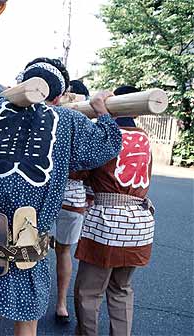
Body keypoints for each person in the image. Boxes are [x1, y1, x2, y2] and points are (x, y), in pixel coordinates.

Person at [0, 57, 123, 336]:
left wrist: (12, 91)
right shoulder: (68, 120)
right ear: (59, 96)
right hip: (30, 235)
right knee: (27, 314)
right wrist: (103, 113)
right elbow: (106, 145)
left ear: (21, 84)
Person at [74, 85, 155, 336]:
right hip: (140, 221)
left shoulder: (107, 134)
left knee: (89, 291)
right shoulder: (144, 137)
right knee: (121, 289)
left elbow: (80, 170)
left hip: (108, 223)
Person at [53, 79, 91, 323]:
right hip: (74, 195)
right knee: (64, 251)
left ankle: (30, 301)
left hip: (44, 192)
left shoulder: (51, 120)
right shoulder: (89, 128)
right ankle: (60, 305)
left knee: (32, 249)